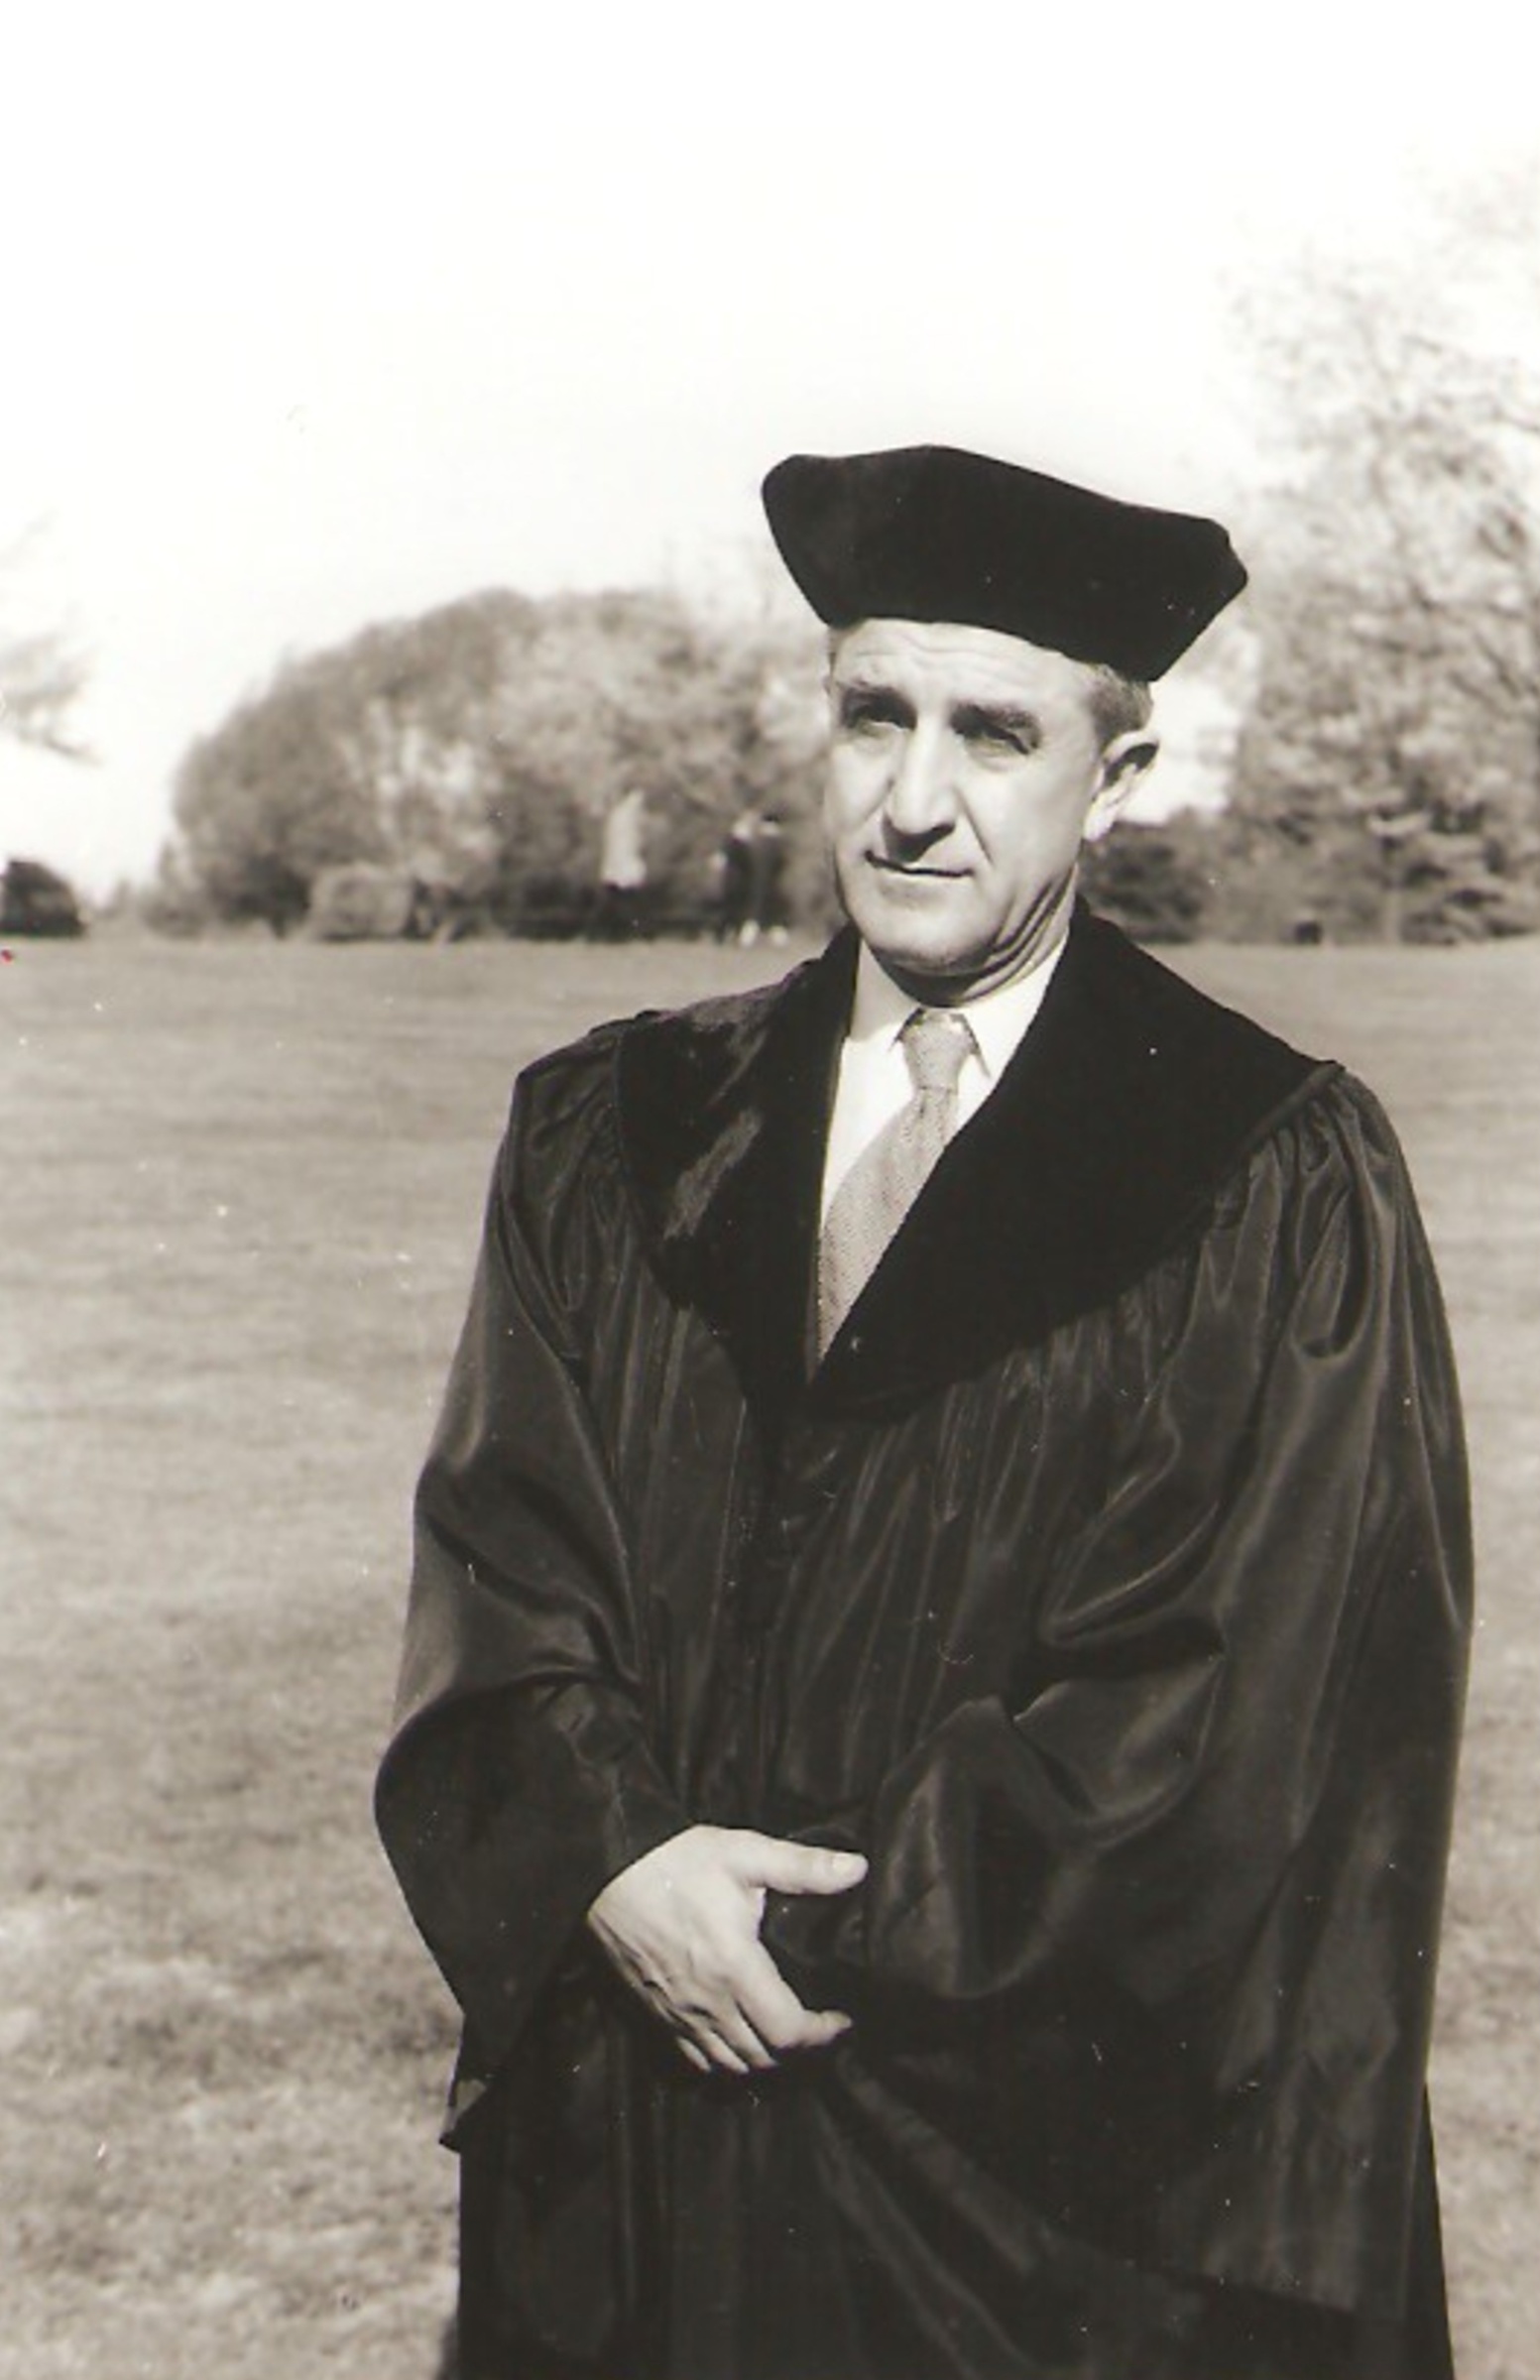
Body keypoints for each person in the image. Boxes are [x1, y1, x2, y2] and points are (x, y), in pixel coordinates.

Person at [377, 445, 1472, 2380]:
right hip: (635, 2156)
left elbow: (1235, 1723)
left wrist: (789, 1936)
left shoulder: (1256, 1169)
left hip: (1033, 2215)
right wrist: (616, 1863)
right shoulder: (613, 1131)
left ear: (1114, 777)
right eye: (872, 714)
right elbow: (501, 1573)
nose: (910, 800)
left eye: (994, 734)